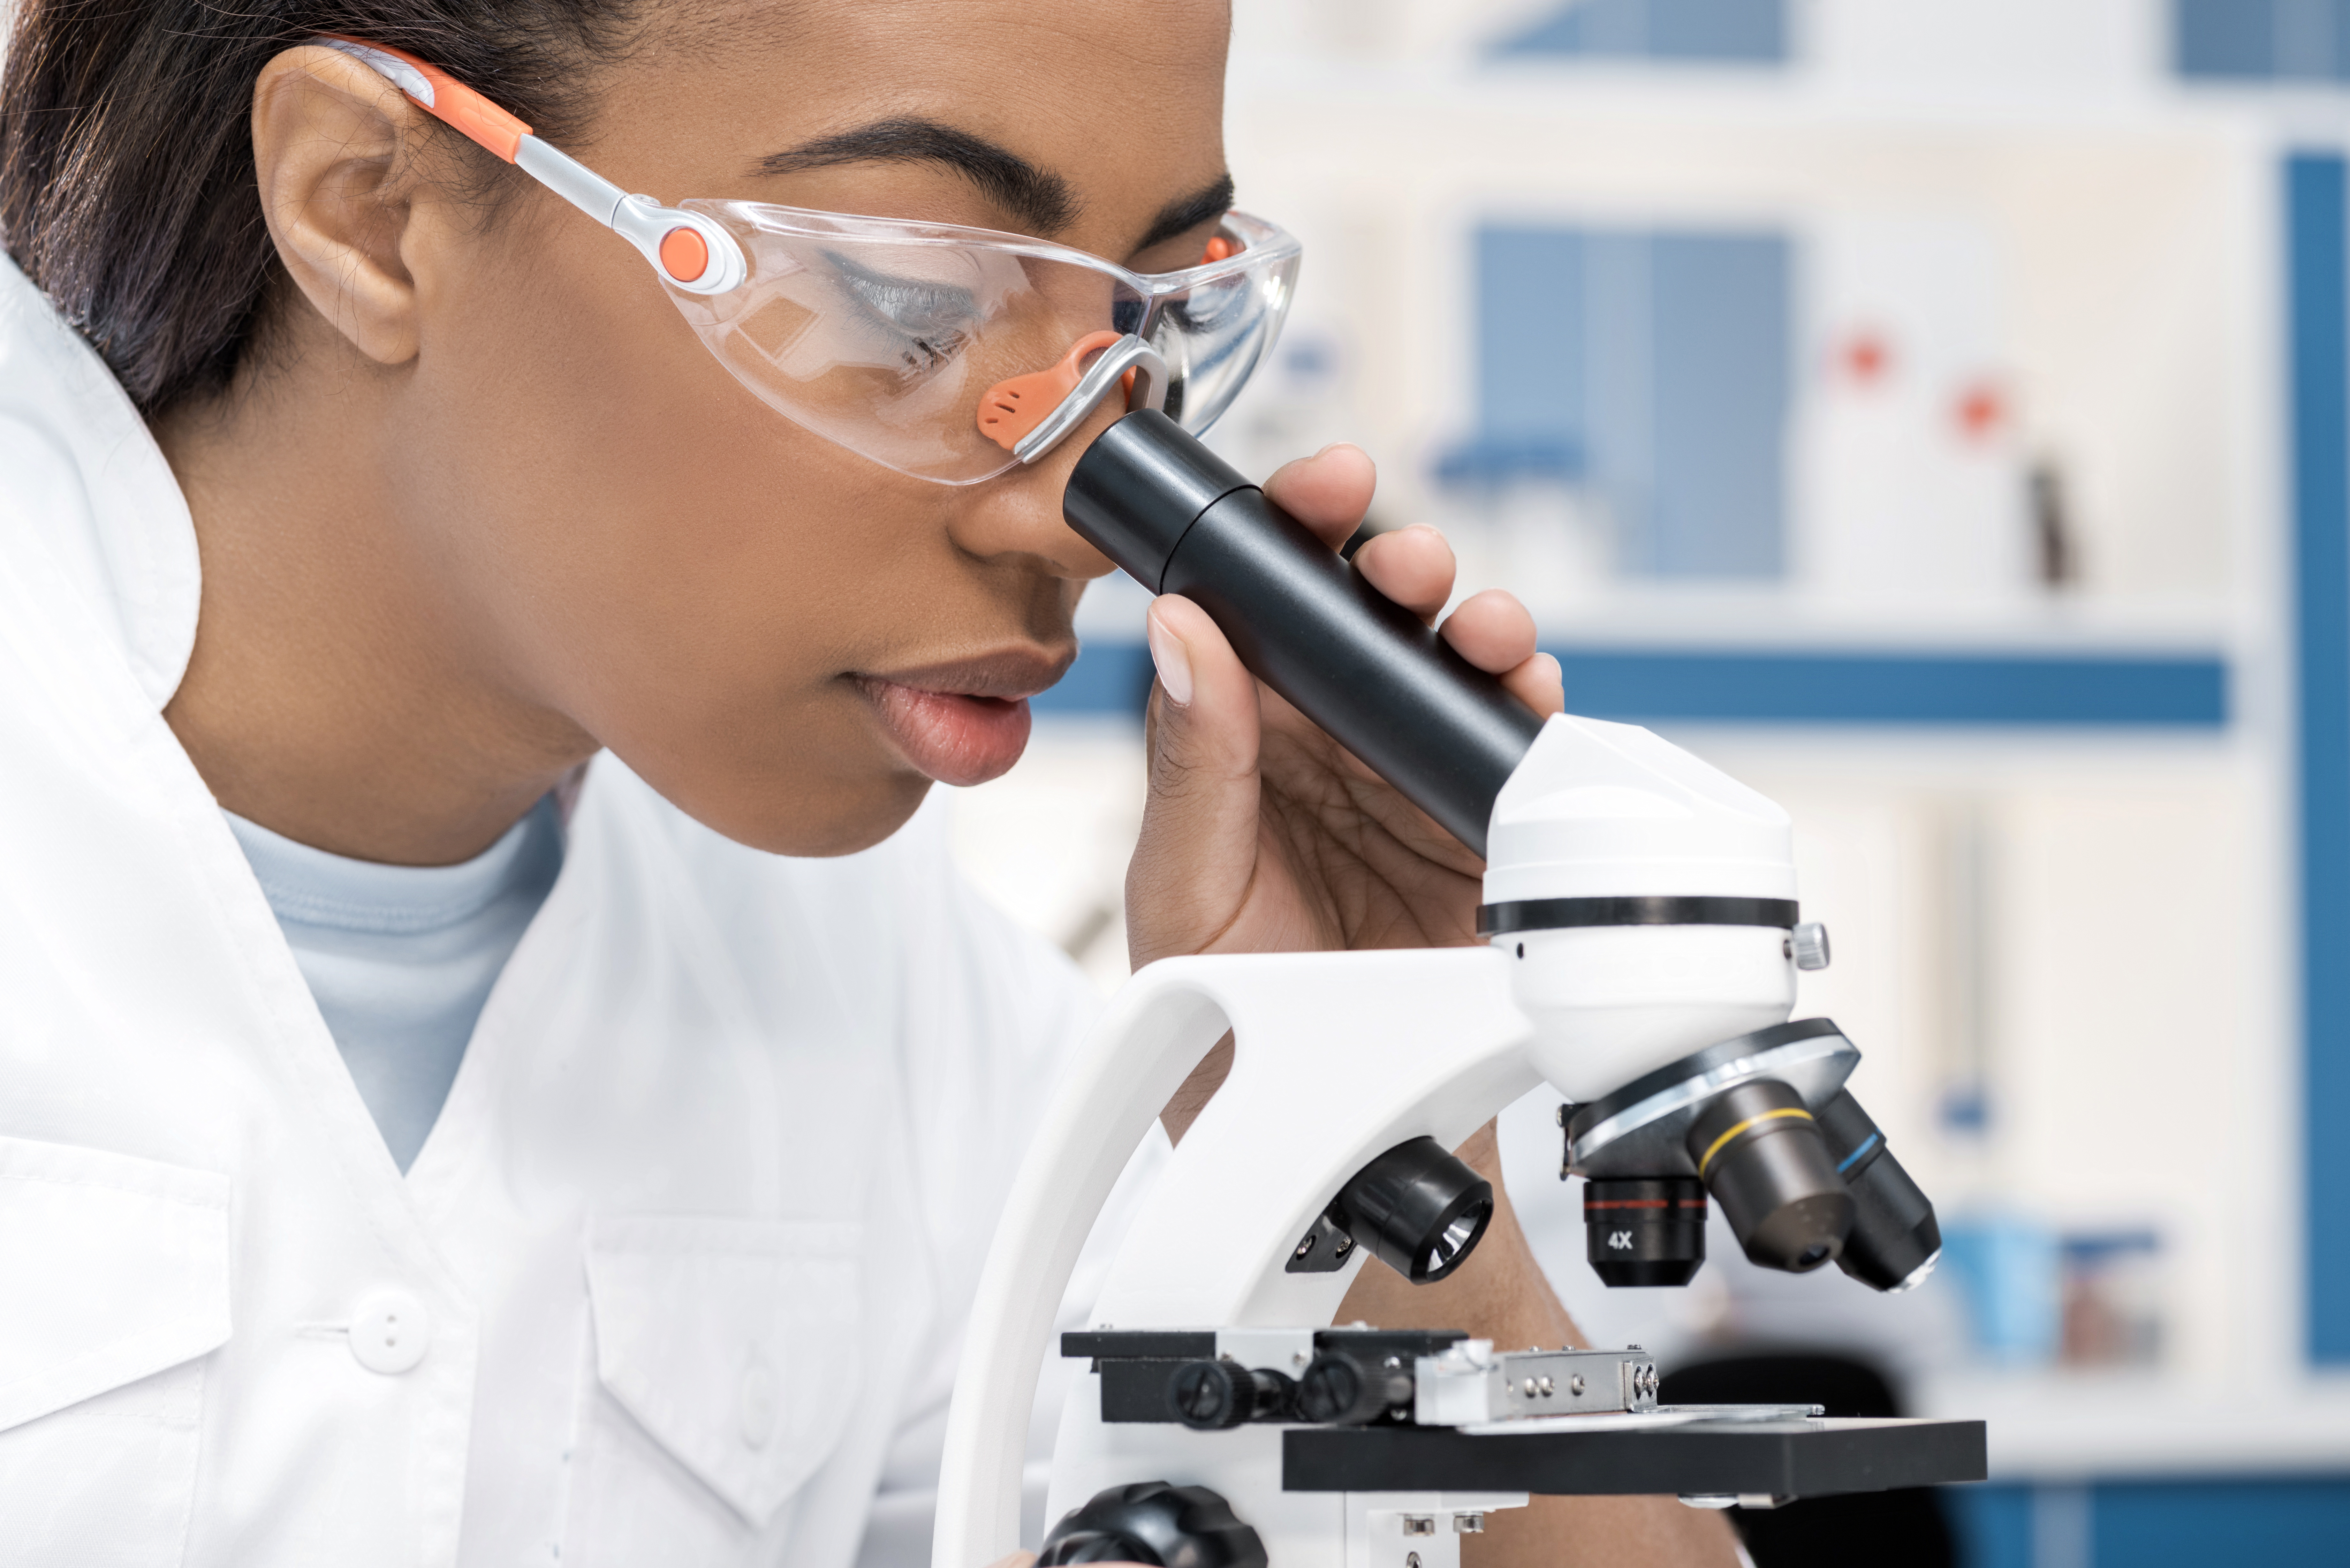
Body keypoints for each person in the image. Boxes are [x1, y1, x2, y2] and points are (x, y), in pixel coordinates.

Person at [0, 3, 1739, 1565]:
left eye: (1147, 339)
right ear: (368, 205)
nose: (1072, 511)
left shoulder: (885, 995)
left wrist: (1364, 1121)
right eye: (912, 305)